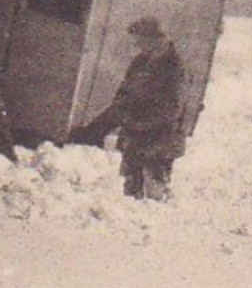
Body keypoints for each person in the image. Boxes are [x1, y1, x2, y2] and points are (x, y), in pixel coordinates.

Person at [70, 16, 186, 200]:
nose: (138, 44)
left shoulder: (174, 67)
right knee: (130, 192)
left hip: (158, 140)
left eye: (141, 39)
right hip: (134, 138)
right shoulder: (140, 61)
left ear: (156, 39)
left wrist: (137, 122)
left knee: (152, 195)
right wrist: (93, 131)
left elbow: (171, 109)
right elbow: (123, 98)